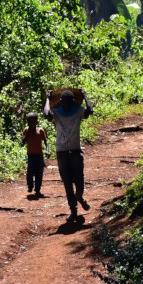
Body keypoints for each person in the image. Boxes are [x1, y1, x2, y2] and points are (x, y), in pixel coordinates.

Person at [44, 89, 93, 221]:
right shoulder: (58, 113)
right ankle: (74, 210)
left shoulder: (77, 111)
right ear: (60, 101)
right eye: (64, 101)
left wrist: (85, 96)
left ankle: (79, 198)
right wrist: (48, 99)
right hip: (63, 152)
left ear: (72, 101)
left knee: (78, 180)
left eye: (67, 101)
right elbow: (46, 114)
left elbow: (90, 111)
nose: (65, 104)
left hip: (73, 151)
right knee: (68, 183)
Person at [21, 112, 48, 196]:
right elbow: (23, 141)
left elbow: (46, 142)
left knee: (39, 173)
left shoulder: (40, 130)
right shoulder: (26, 130)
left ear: (36, 122)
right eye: (29, 122)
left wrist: (47, 150)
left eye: (32, 122)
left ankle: (37, 190)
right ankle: (30, 186)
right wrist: (29, 131)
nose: (30, 123)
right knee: (30, 172)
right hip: (31, 155)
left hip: (39, 155)